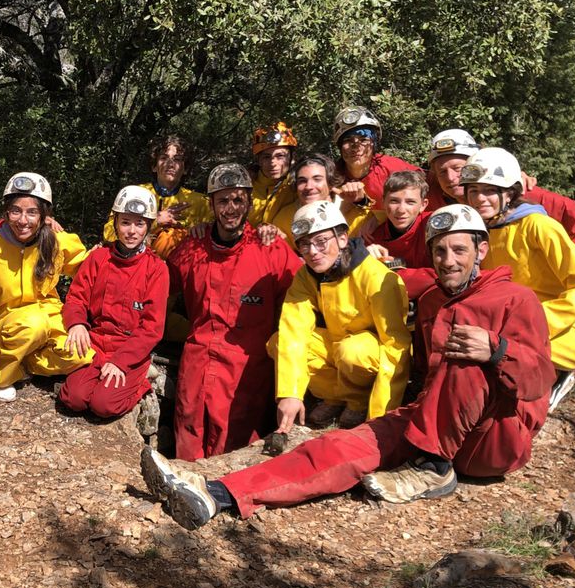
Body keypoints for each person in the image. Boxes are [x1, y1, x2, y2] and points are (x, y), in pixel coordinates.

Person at [140, 204, 555, 531]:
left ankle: (433, 469)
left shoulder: (515, 299)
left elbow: (539, 382)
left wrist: (498, 350)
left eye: (459, 249)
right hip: (434, 421)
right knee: (337, 446)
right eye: (440, 250)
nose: (448, 260)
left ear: (481, 251)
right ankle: (218, 493)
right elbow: (294, 335)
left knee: (465, 358)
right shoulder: (431, 301)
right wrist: (297, 398)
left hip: (494, 437)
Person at [167, 163, 300, 460]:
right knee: (188, 425)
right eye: (223, 200)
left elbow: (305, 292)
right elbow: (159, 281)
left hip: (247, 369)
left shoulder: (270, 248)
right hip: (198, 357)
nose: (230, 208)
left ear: (250, 203)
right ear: (212, 204)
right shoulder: (195, 245)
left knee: (236, 442)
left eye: (238, 200)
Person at [460, 147, 575, 410]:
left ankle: (552, 377)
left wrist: (536, 322)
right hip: (509, 324)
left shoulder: (539, 226)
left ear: (510, 193)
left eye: (490, 190)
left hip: (564, 328)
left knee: (501, 356)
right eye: (473, 191)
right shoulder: (482, 232)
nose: (480, 198)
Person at [273, 201, 411, 431]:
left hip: (366, 355)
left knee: (352, 350)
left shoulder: (375, 277)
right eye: (304, 244)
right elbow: (293, 330)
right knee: (278, 342)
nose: (313, 252)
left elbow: (396, 348)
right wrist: (290, 393)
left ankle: (358, 403)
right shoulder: (306, 277)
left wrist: (379, 418)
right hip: (338, 349)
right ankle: (338, 398)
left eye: (320, 241)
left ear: (343, 239)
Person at [0, 172, 92, 402]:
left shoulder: (57, 242)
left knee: (80, 354)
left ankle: (26, 363)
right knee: (33, 325)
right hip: (6, 321)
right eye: (16, 210)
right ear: (6, 212)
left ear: (44, 215)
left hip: (50, 316)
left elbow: (87, 271)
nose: (23, 220)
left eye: (32, 212)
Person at [427, 129, 575, 272]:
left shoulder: (526, 197)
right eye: (442, 171)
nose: (451, 178)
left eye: (459, 168)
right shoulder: (439, 198)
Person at [59, 186, 168, 418]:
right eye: (126, 222)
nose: (131, 231)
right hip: (95, 343)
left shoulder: (156, 269)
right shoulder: (99, 258)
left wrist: (121, 362)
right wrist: (76, 324)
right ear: (116, 222)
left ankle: (142, 381)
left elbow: (152, 327)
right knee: (73, 398)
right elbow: (76, 297)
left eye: (139, 224)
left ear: (148, 226)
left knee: (104, 405)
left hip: (130, 349)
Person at [100, 136, 210, 261]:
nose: (170, 164)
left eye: (177, 159)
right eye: (164, 158)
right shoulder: (133, 194)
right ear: (154, 166)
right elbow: (109, 235)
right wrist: (155, 221)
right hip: (136, 268)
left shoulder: (201, 202)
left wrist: (205, 229)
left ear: (185, 169)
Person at [362, 170, 436, 299]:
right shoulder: (373, 238)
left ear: (423, 205)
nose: (401, 210)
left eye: (410, 202)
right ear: (384, 202)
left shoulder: (435, 225)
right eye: (394, 201)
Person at [333, 105, 419, 210]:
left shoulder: (392, 168)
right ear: (340, 146)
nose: (356, 147)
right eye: (348, 140)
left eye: (363, 139)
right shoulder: (331, 175)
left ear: (374, 144)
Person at [271, 153, 371, 242]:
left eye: (317, 179)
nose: (309, 186)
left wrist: (362, 201)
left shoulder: (353, 207)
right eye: (302, 181)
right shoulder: (283, 219)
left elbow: (382, 217)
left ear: (331, 183)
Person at [248, 122, 298, 227]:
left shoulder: (298, 186)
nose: (273, 163)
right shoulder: (246, 187)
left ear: (292, 158)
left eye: (280, 156)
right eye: (266, 157)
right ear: (259, 160)